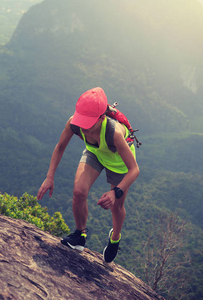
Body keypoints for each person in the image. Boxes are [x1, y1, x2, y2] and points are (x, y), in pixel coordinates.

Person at [37, 87, 140, 263]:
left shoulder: (114, 133)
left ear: (101, 118)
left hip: (119, 162)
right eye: (81, 120)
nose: (83, 127)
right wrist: (50, 176)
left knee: (116, 207)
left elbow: (134, 170)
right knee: (78, 192)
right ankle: (79, 236)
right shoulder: (74, 124)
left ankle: (115, 238)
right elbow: (60, 146)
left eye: (88, 123)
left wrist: (116, 192)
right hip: (96, 153)